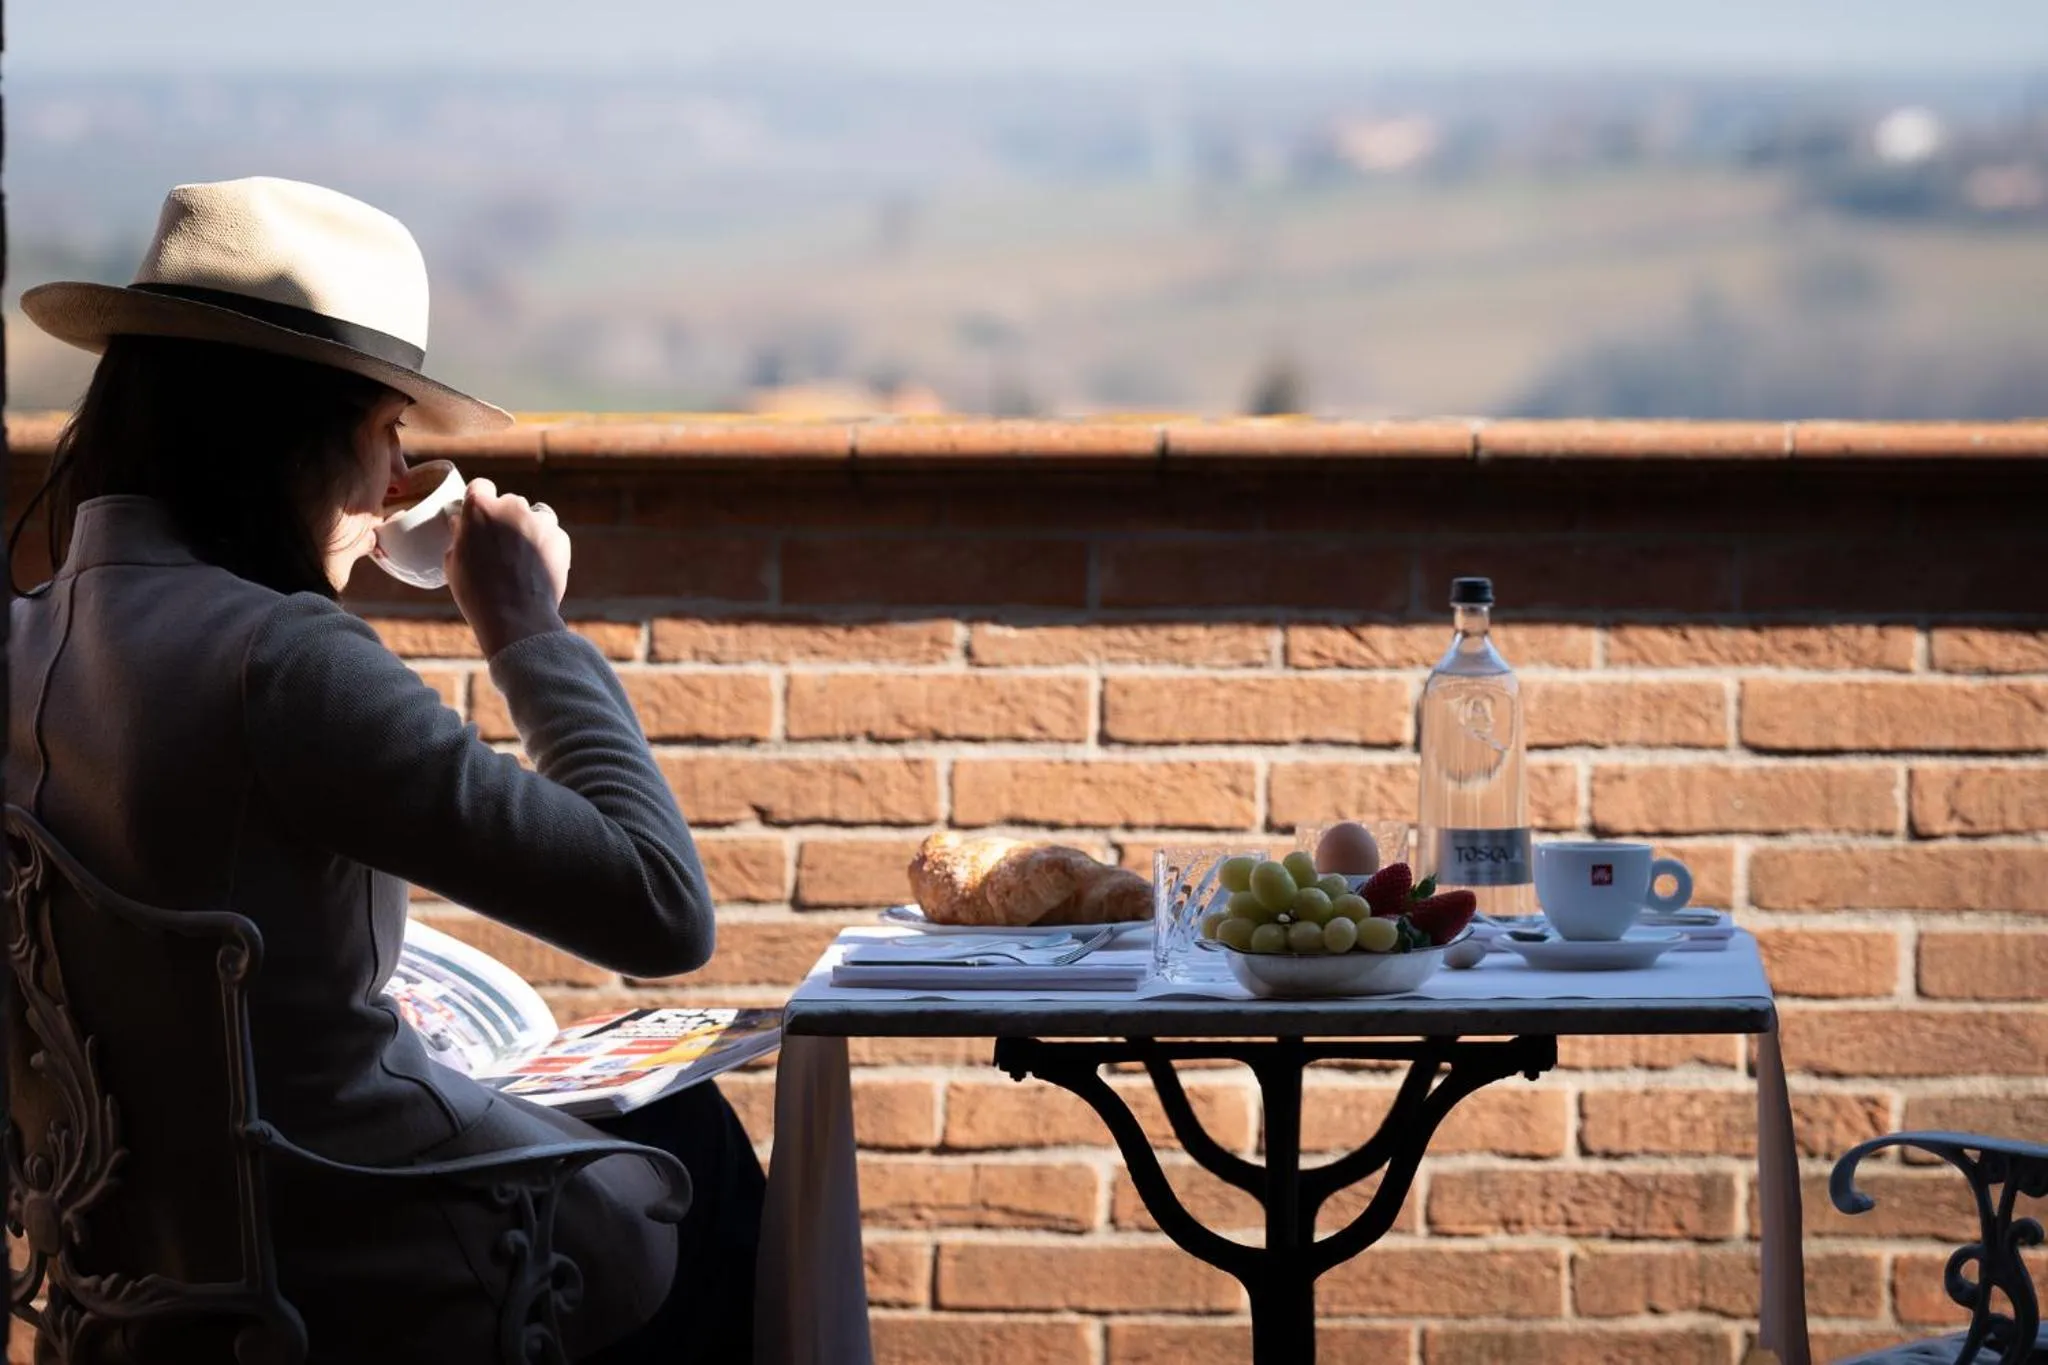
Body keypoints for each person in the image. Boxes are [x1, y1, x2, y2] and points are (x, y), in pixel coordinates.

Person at [8, 176, 763, 1363]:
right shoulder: (284, 662)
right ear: (306, 437)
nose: (392, 485)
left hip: (130, 1282)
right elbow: (659, 909)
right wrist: (527, 628)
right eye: (390, 436)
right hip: (361, 1262)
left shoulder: (22, 642)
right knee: (692, 1135)